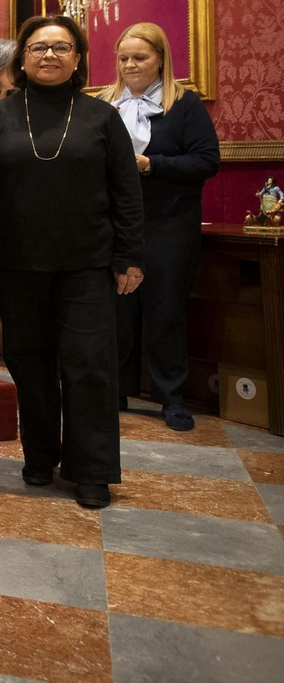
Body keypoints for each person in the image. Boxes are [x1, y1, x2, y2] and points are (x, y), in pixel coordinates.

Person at [0, 14, 143, 509]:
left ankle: (91, 470)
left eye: (61, 47)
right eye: (38, 47)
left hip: (87, 264)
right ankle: (39, 456)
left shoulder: (101, 117)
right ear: (21, 60)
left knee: (89, 366)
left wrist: (129, 255)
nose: (49, 55)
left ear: (78, 59)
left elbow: (127, 192)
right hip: (15, 263)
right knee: (28, 363)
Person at [102, 22, 219, 432]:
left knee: (165, 310)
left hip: (169, 224)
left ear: (160, 59)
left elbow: (207, 161)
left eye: (140, 57)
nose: (130, 64)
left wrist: (154, 165)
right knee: (117, 310)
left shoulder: (184, 105)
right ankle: (115, 391)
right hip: (116, 225)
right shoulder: (106, 105)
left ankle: (171, 397)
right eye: (123, 58)